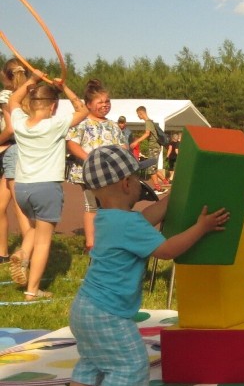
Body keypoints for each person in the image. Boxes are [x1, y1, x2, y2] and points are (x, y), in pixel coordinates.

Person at [62, 145, 229, 386]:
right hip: (108, 313)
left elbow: (147, 216)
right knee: (131, 362)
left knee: (92, 361)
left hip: (85, 308)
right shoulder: (126, 224)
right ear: (127, 184)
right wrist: (200, 228)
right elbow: (165, 250)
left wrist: (171, 198)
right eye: (139, 178)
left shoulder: (108, 219)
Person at [7, 70, 89, 300]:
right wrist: (65, 88)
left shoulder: (20, 122)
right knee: (44, 240)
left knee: (34, 228)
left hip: (22, 188)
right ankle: (32, 291)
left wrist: (32, 80)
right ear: (53, 106)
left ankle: (22, 253)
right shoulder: (55, 124)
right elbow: (82, 110)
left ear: (31, 103)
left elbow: (13, 100)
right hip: (46, 188)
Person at [66, 79, 125, 252]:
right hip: (89, 172)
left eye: (107, 102)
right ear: (89, 105)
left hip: (110, 173)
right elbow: (73, 144)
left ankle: (108, 239)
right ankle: (91, 243)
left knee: (109, 205)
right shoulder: (82, 123)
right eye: (100, 102)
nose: (105, 105)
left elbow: (122, 146)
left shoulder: (113, 126)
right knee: (91, 205)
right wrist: (89, 159)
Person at [0, 59, 33, 264]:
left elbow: (10, 128)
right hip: (22, 150)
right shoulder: (31, 93)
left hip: (12, 150)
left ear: (6, 75)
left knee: (20, 207)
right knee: (1, 205)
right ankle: (3, 253)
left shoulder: (6, 95)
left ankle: (26, 255)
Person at [131, 105, 168, 192]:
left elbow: (147, 134)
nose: (138, 116)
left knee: (151, 168)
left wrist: (137, 141)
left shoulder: (148, 122)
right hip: (156, 146)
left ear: (141, 113)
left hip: (153, 147)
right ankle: (165, 182)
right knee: (153, 167)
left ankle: (157, 187)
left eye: (138, 114)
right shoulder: (151, 122)